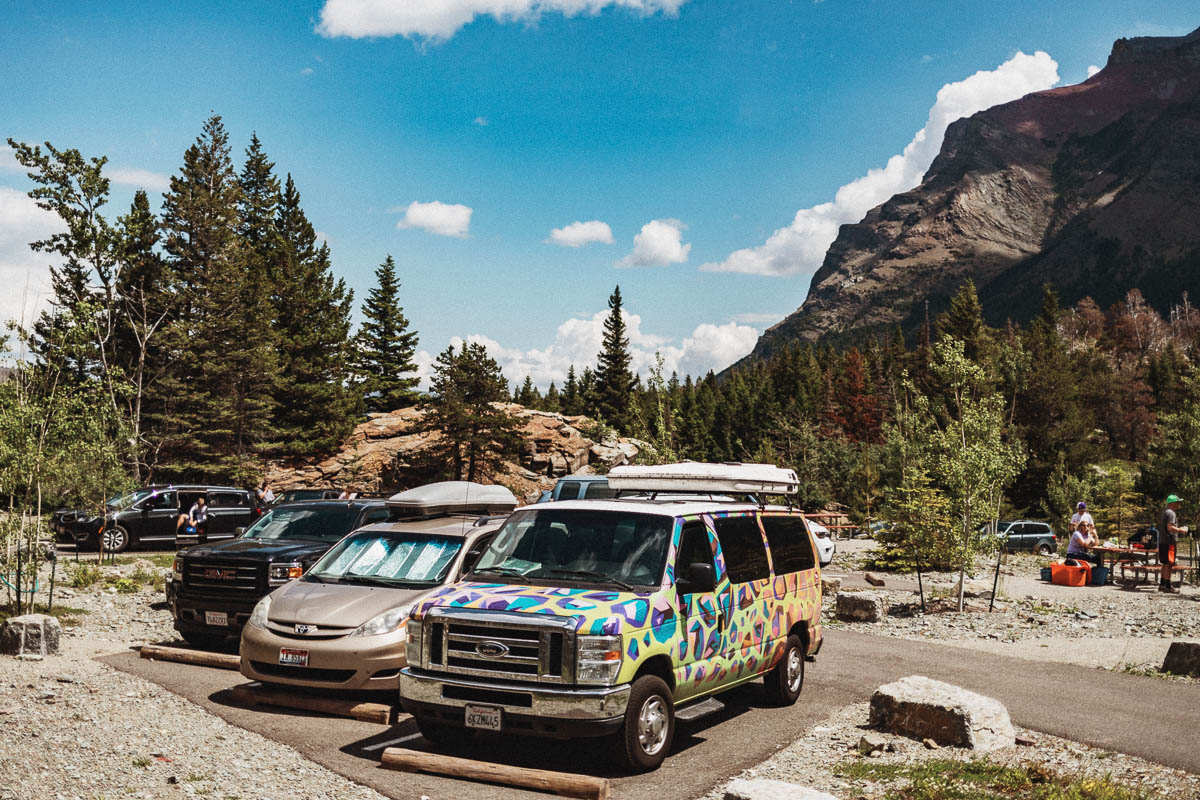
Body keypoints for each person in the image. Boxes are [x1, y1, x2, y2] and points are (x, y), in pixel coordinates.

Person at [1159, 494, 1188, 593]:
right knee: (1169, 564)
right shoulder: (1171, 513)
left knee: (1164, 563)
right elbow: (1170, 527)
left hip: (1162, 541)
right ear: (1172, 503)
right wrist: (1181, 530)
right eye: (1177, 502)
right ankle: (1168, 586)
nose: (1179, 504)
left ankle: (1162, 584)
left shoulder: (1164, 512)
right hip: (1169, 542)